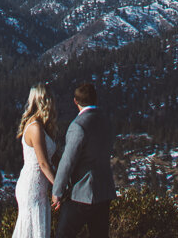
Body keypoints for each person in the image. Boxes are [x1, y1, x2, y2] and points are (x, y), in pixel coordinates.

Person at [51, 81, 116, 238]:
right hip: (104, 191)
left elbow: (67, 161)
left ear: (75, 101)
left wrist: (57, 191)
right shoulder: (106, 122)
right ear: (96, 99)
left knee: (63, 234)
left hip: (83, 192)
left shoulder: (78, 126)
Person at [11, 83, 60, 238]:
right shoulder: (35, 127)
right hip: (32, 185)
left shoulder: (40, 126)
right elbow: (44, 164)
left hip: (38, 186)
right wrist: (59, 187)